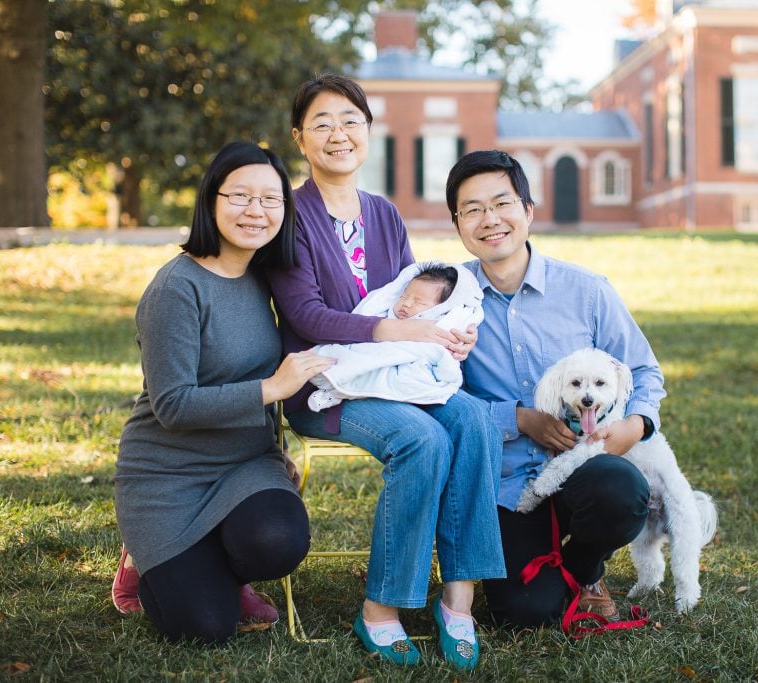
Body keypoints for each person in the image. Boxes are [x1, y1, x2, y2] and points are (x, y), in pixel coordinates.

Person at [267, 74, 504, 669]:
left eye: (350, 120)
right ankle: (381, 608)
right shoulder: (288, 215)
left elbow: (413, 295)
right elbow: (304, 313)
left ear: (369, 131)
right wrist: (398, 330)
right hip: (326, 386)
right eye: (321, 122)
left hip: (398, 376)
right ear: (300, 138)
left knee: (473, 419)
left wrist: (450, 329)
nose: (338, 134)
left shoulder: (384, 214)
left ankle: (458, 601)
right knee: (422, 440)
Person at [112, 141, 336, 644]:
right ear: (211, 201)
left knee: (277, 541)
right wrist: (273, 388)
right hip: (167, 475)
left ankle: (221, 566)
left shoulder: (265, 279)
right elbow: (172, 406)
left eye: (271, 199)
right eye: (240, 196)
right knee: (202, 627)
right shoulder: (177, 288)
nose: (255, 211)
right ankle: (145, 558)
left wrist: (276, 453)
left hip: (244, 466)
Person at [445, 150, 665, 628]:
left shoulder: (586, 291)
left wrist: (636, 423)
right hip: (508, 483)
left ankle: (588, 569)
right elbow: (440, 398)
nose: (490, 220)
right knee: (526, 613)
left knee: (623, 490)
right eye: (473, 209)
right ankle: (544, 569)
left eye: (501, 203)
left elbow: (644, 370)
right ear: (458, 223)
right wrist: (517, 418)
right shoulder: (449, 302)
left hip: (586, 469)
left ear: (527, 210)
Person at [307, 261, 483, 411]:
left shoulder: (441, 325)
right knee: (360, 363)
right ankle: (337, 389)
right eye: (404, 296)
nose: (405, 304)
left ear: (440, 309)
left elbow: (444, 362)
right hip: (379, 359)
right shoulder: (387, 315)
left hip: (412, 373)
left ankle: (339, 391)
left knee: (472, 412)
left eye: (419, 302)